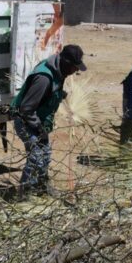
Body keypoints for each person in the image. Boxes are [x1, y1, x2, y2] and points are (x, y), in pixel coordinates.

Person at [11, 44, 87, 196]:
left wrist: (61, 95)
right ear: (65, 62)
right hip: (26, 120)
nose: (76, 70)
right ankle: (25, 194)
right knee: (36, 157)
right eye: (74, 67)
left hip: (37, 120)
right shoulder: (44, 78)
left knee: (45, 154)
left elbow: (50, 92)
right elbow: (26, 109)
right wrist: (39, 130)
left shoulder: (59, 70)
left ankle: (41, 187)